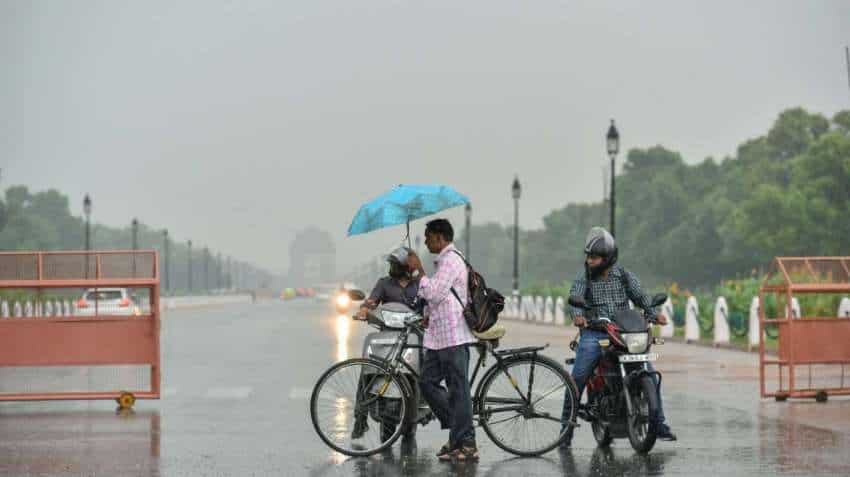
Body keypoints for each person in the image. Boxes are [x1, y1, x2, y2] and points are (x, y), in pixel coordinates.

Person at [560, 226, 677, 449]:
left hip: (625, 332)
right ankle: (566, 429)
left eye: (594, 257)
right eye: (588, 256)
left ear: (607, 259)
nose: (589, 261)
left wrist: (654, 314)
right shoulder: (584, 277)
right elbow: (574, 297)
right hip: (596, 333)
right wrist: (578, 317)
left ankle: (658, 423)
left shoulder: (624, 276)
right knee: (577, 379)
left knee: (649, 373)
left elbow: (642, 298)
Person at [407, 218, 479, 462]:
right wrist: (426, 314)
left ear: (439, 237)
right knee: (427, 383)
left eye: (428, 237)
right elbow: (440, 297)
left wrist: (418, 271)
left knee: (459, 390)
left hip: (454, 335)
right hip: (439, 337)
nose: (426, 241)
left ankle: (467, 443)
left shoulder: (451, 260)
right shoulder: (443, 262)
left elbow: (435, 293)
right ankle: (458, 433)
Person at [351, 246, 420, 439]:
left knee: (418, 376)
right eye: (391, 265)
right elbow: (371, 302)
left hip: (412, 338)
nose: (392, 268)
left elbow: (429, 305)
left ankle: (416, 414)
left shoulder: (420, 285)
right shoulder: (384, 284)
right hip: (386, 337)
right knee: (367, 372)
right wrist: (364, 310)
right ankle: (360, 418)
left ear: (407, 266)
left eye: (396, 265)